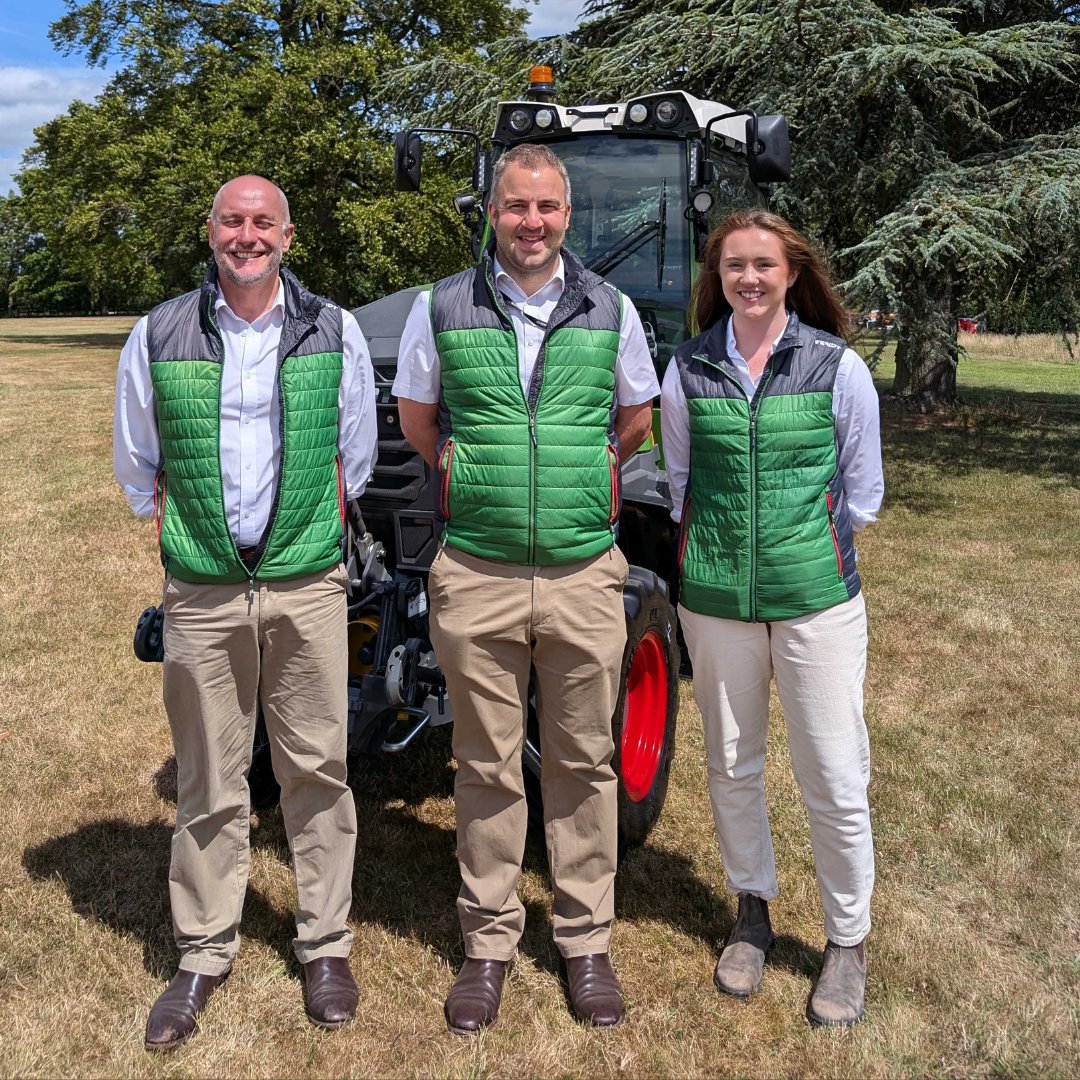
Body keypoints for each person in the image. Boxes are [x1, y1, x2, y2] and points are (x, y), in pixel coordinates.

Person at [393, 143, 659, 1033]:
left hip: (585, 573)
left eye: (546, 207)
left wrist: (593, 471)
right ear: (493, 212)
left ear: (567, 215)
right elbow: (417, 416)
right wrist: (453, 465)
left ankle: (585, 943)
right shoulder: (443, 306)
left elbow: (637, 415)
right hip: (477, 571)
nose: (532, 222)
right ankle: (488, 943)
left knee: (584, 761)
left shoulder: (612, 309)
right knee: (485, 763)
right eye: (516, 206)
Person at [113, 174, 377, 1051]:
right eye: (233, 220)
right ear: (212, 230)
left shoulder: (333, 329)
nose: (248, 235)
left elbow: (357, 454)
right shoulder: (158, 333)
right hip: (204, 589)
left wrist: (309, 534)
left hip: (307, 582)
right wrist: (191, 533)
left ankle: (326, 944)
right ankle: (202, 949)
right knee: (209, 775)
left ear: (288, 235)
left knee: (316, 767)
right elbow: (137, 462)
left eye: (263, 221)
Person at [660, 209, 884, 1027]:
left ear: (793, 273)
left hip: (816, 602)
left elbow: (864, 493)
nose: (747, 279)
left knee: (832, 770)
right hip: (716, 603)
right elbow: (680, 481)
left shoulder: (835, 367)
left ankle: (846, 939)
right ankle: (751, 913)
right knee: (731, 764)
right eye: (732, 267)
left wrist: (802, 553)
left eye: (763, 265)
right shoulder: (687, 369)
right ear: (715, 278)